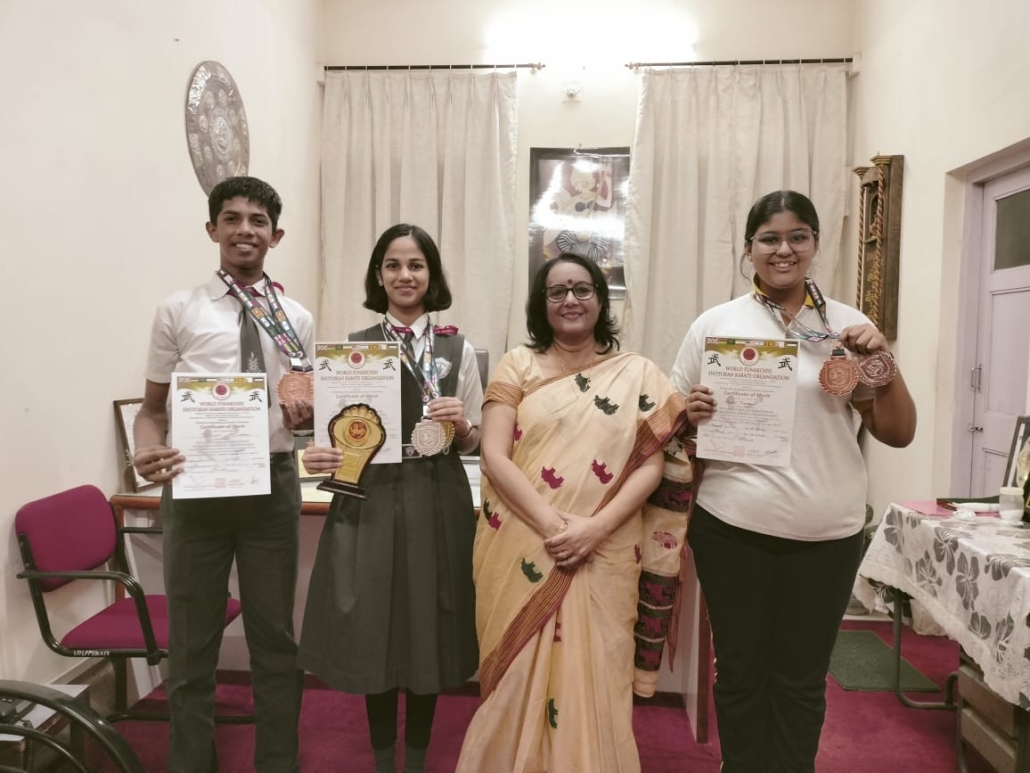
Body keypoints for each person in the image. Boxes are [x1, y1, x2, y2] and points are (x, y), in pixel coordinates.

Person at [671, 190, 917, 773]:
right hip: (732, 528)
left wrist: (884, 363)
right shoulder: (716, 324)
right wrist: (690, 413)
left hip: (826, 533)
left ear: (814, 244)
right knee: (739, 672)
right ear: (749, 249)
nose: (784, 249)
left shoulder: (847, 327)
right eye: (770, 238)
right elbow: (670, 422)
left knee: (801, 679)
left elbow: (898, 432)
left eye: (797, 236)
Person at [456, 253, 688, 773]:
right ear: (541, 304)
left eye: (582, 289)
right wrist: (557, 528)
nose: (570, 300)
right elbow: (493, 455)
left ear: (601, 300)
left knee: (597, 673)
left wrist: (594, 530)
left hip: (606, 549)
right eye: (557, 291)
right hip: (523, 542)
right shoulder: (518, 365)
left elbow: (651, 468)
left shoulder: (639, 374)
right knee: (516, 675)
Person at [132, 176, 314, 773]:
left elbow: (306, 408)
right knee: (191, 645)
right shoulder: (178, 310)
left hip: (272, 487)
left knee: (275, 641)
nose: (244, 230)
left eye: (258, 221)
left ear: (275, 235)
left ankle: (277, 763)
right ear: (212, 229)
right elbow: (151, 412)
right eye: (232, 218)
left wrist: (307, 416)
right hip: (195, 490)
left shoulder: (297, 318)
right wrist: (145, 453)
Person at [298, 224, 481, 773]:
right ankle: (383, 759)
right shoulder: (352, 349)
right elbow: (331, 435)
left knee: (429, 626)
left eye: (416, 265)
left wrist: (462, 424)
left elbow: (473, 440)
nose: (405, 275)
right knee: (372, 623)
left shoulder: (456, 347)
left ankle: (417, 759)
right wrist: (318, 454)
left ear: (431, 275)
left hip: (436, 490)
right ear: (378, 275)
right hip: (368, 494)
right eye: (394, 265)